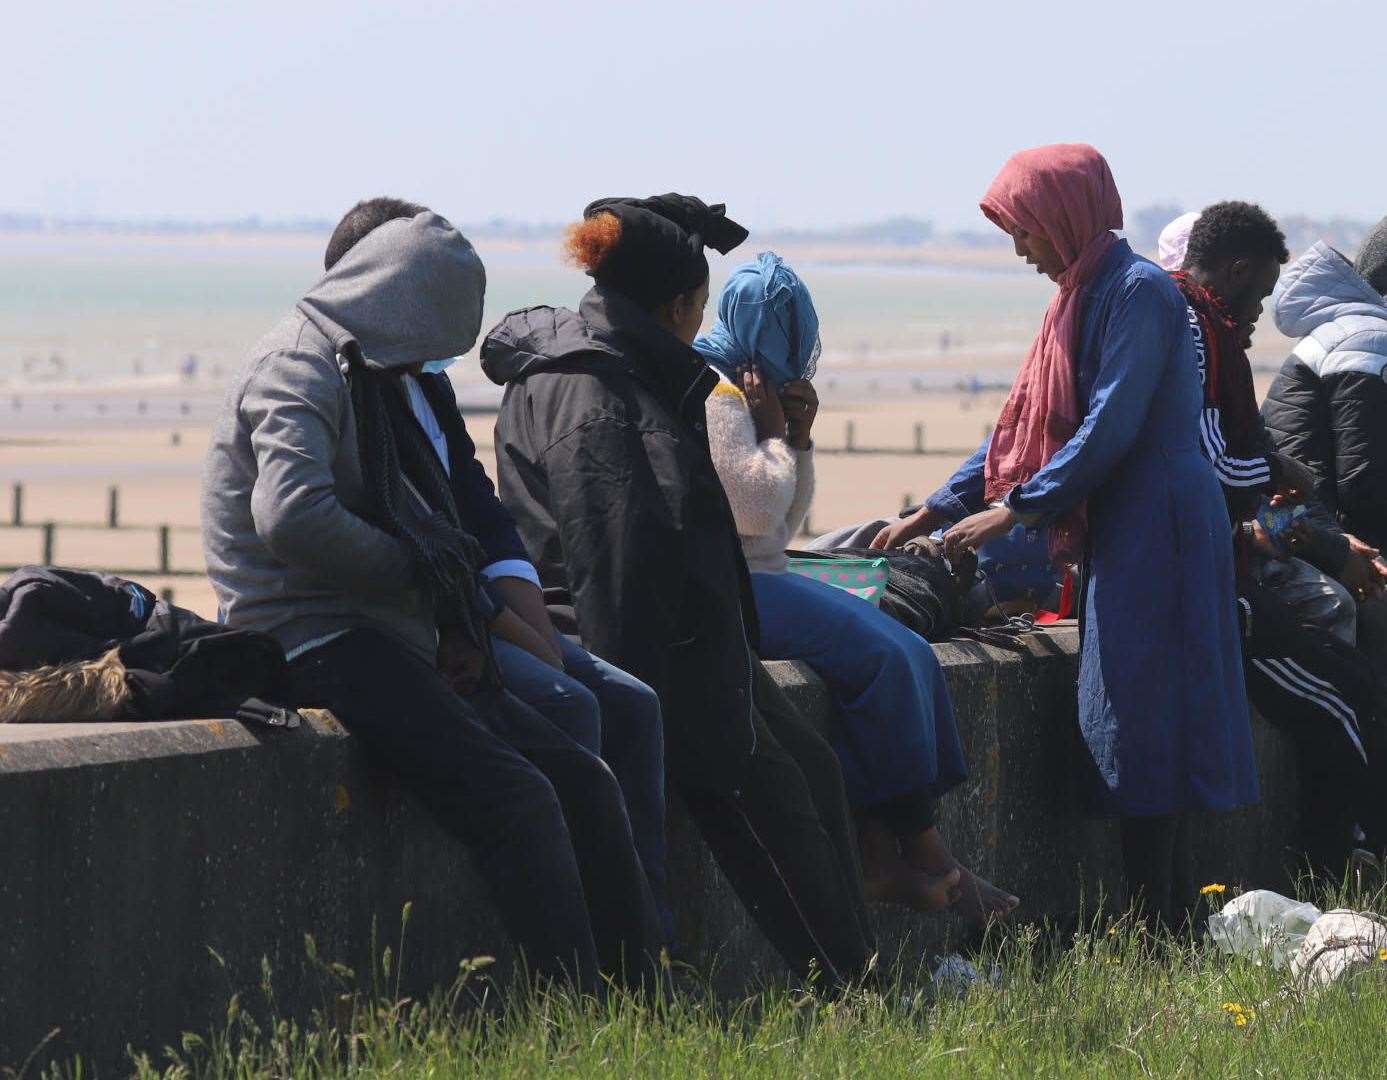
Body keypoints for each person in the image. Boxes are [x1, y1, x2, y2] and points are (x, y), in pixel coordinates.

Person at [201, 199, 663, 993]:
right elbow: (291, 516)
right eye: (425, 349)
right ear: (393, 304)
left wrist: (449, 608)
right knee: (514, 796)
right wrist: (428, 583)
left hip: (387, 625)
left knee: (580, 778)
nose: (423, 369)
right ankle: (583, 1010)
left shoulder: (361, 362)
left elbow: (441, 510)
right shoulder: (298, 367)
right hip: (309, 634)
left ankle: (644, 994)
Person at [482, 194, 875, 987]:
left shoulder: (614, 368)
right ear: (677, 304)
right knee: (770, 809)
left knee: (813, 769)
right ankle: (849, 987)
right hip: (654, 654)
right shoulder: (597, 394)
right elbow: (611, 565)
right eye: (698, 305)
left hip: (692, 634)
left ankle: (856, 971)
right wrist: (649, 714)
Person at [875, 144, 1257, 931]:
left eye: (1025, 232)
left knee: (1155, 718)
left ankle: (1162, 922)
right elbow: (1027, 427)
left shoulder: (1141, 293)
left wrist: (1018, 510)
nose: (1022, 251)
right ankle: (1163, 921)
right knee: (1134, 714)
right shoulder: (1078, 297)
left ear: (1065, 216)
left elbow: (1108, 423)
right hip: (1126, 526)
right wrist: (936, 508)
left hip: (1166, 529)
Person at [693, 252, 1016, 921]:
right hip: (735, 585)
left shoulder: (746, 390)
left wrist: (799, 440)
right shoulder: (718, 392)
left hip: (763, 571)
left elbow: (782, 520)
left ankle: (889, 839)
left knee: (908, 652)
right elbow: (755, 511)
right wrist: (777, 437)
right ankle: (925, 853)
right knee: (884, 656)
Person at [1171, 202, 1387, 872]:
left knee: (1348, 688)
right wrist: (1334, 547)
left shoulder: (1218, 340)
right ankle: (1345, 855)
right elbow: (1358, 487)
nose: (1261, 311)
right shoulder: (1363, 340)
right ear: (1235, 272)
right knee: (1347, 689)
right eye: (1259, 291)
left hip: (1282, 544)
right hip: (1264, 556)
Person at [1262, 226, 1387, 676]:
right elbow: (1363, 483)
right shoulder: (1368, 339)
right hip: (1312, 529)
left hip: (1313, 523)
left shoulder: (1359, 331)